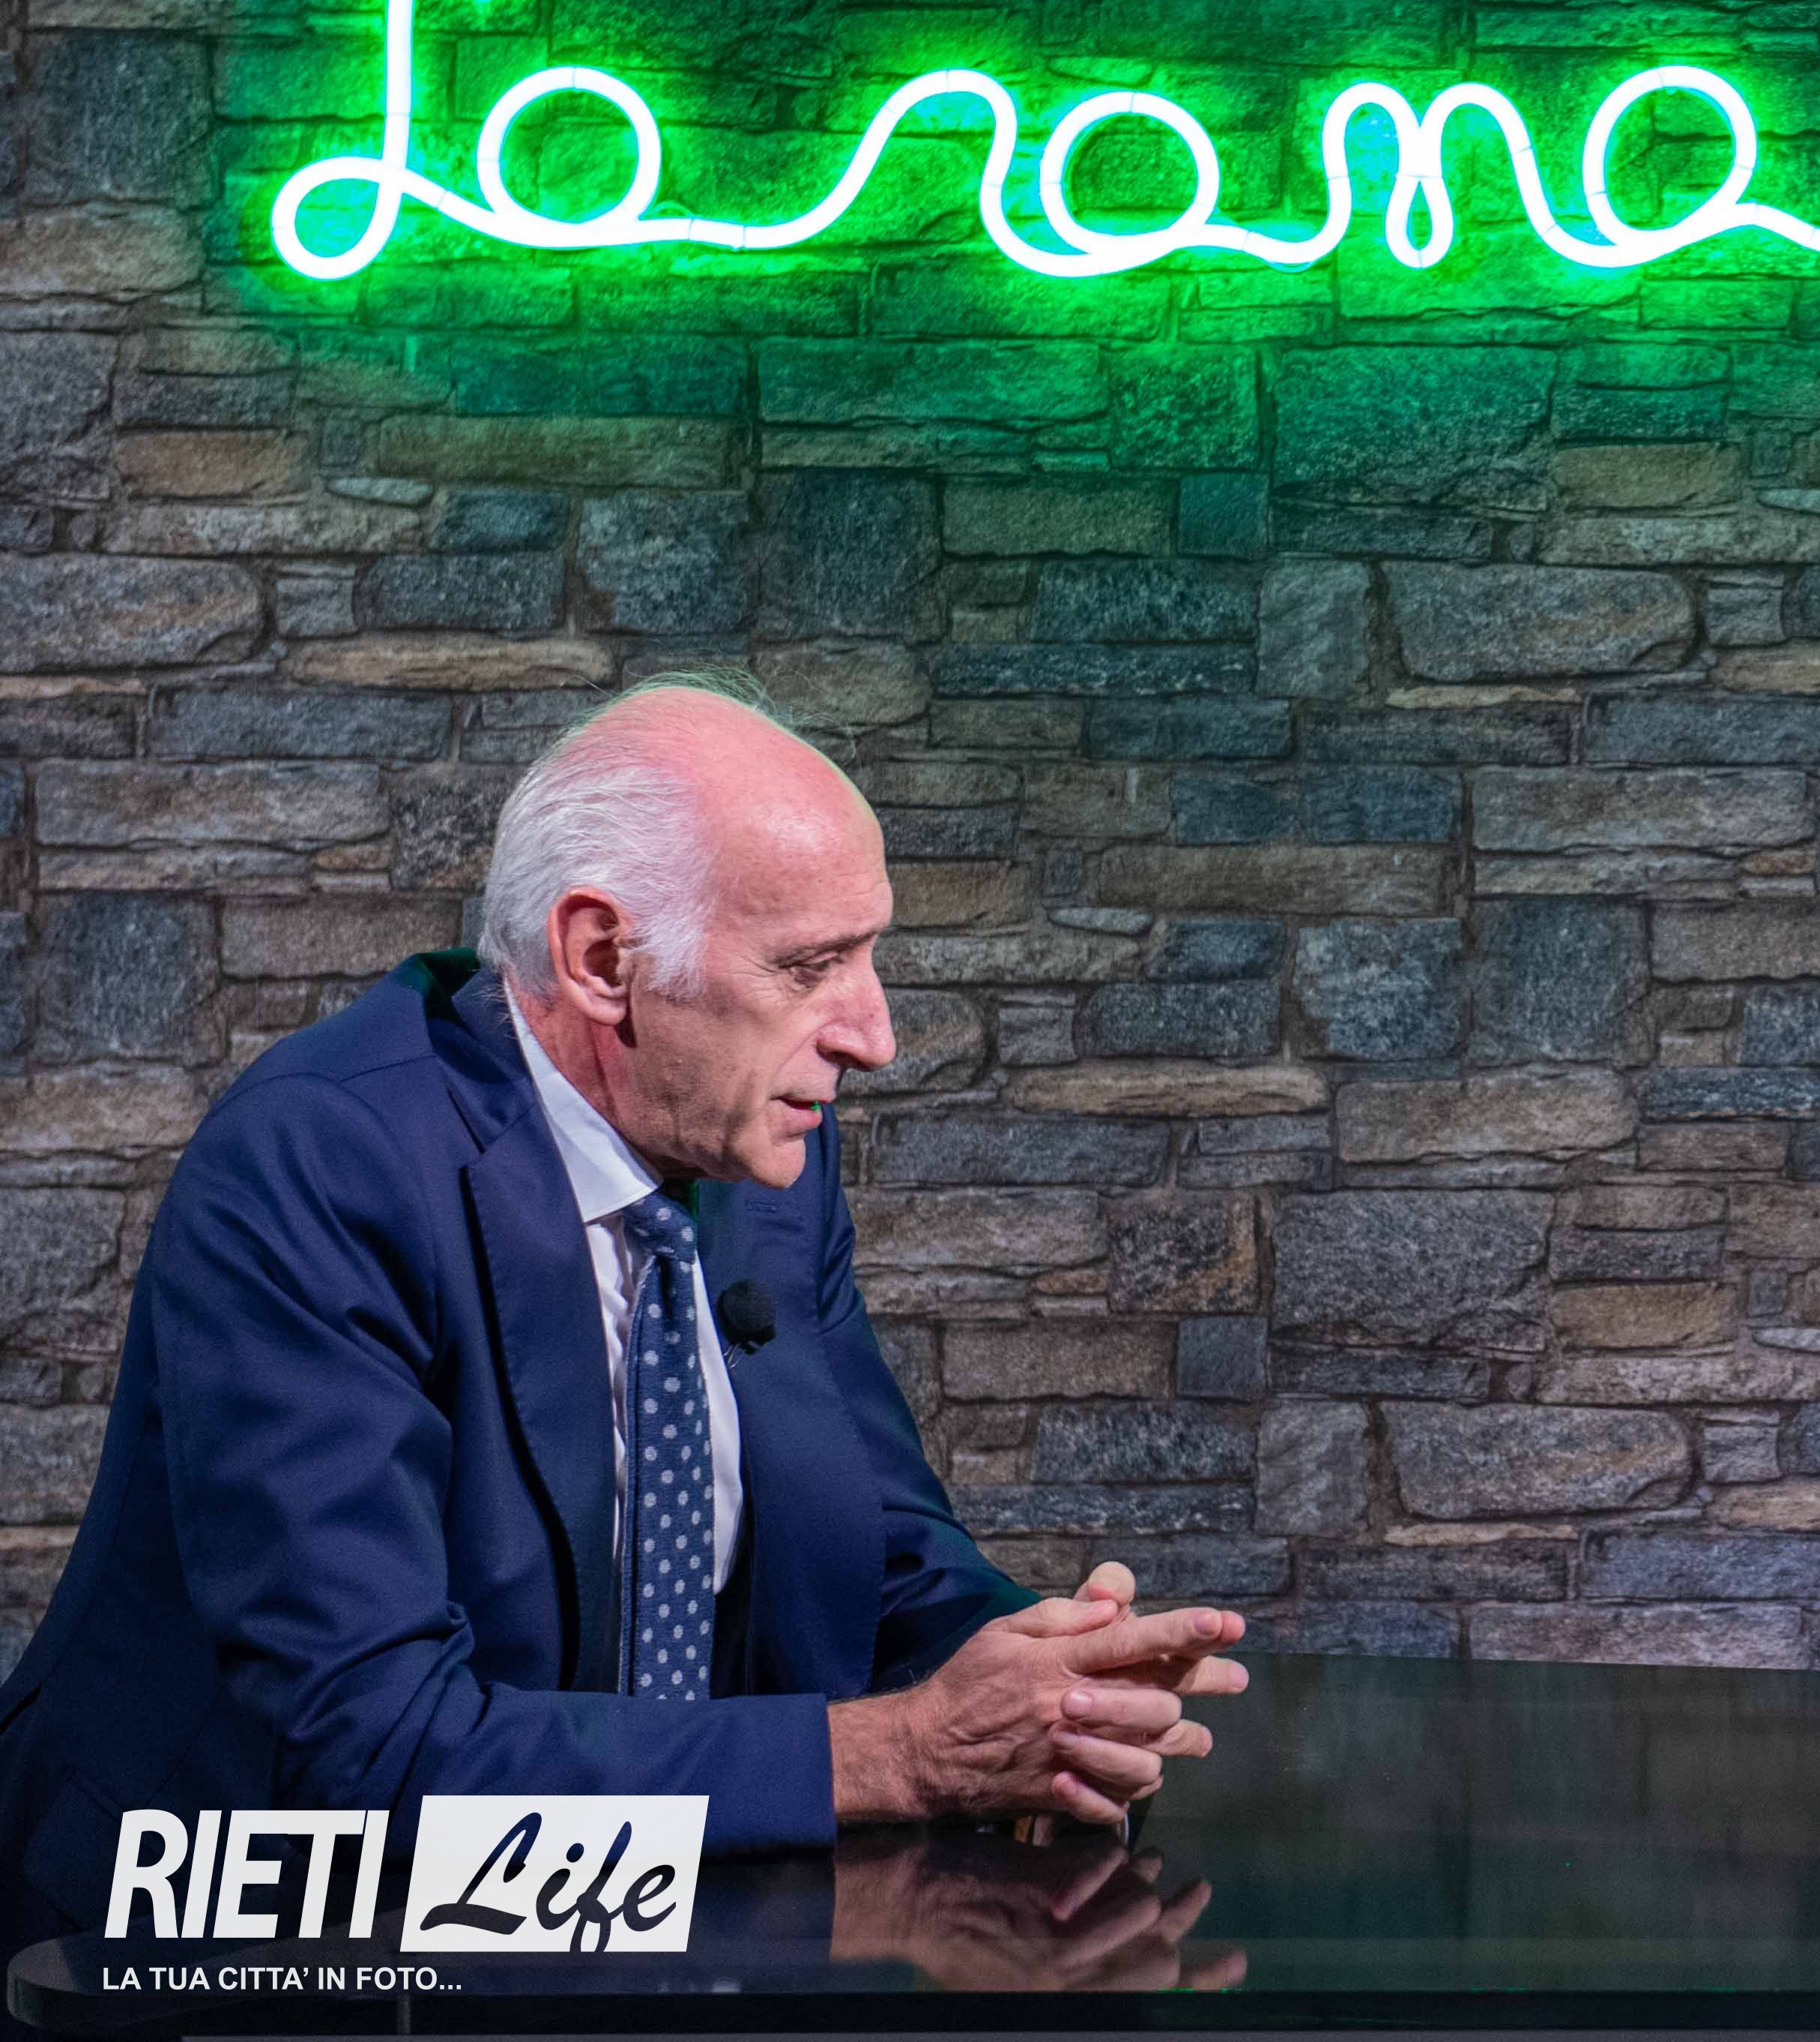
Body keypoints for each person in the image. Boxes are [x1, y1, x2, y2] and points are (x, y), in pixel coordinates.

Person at [0, 675, 1243, 1939]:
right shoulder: (318, 1165)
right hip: (249, 1944)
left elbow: (877, 1556)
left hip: (635, 1924)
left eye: (869, 955)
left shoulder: (756, 1153)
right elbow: (369, 1753)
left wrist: (1056, 1681)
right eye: (809, 966)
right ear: (603, 960)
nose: (874, 1035)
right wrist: (908, 1755)